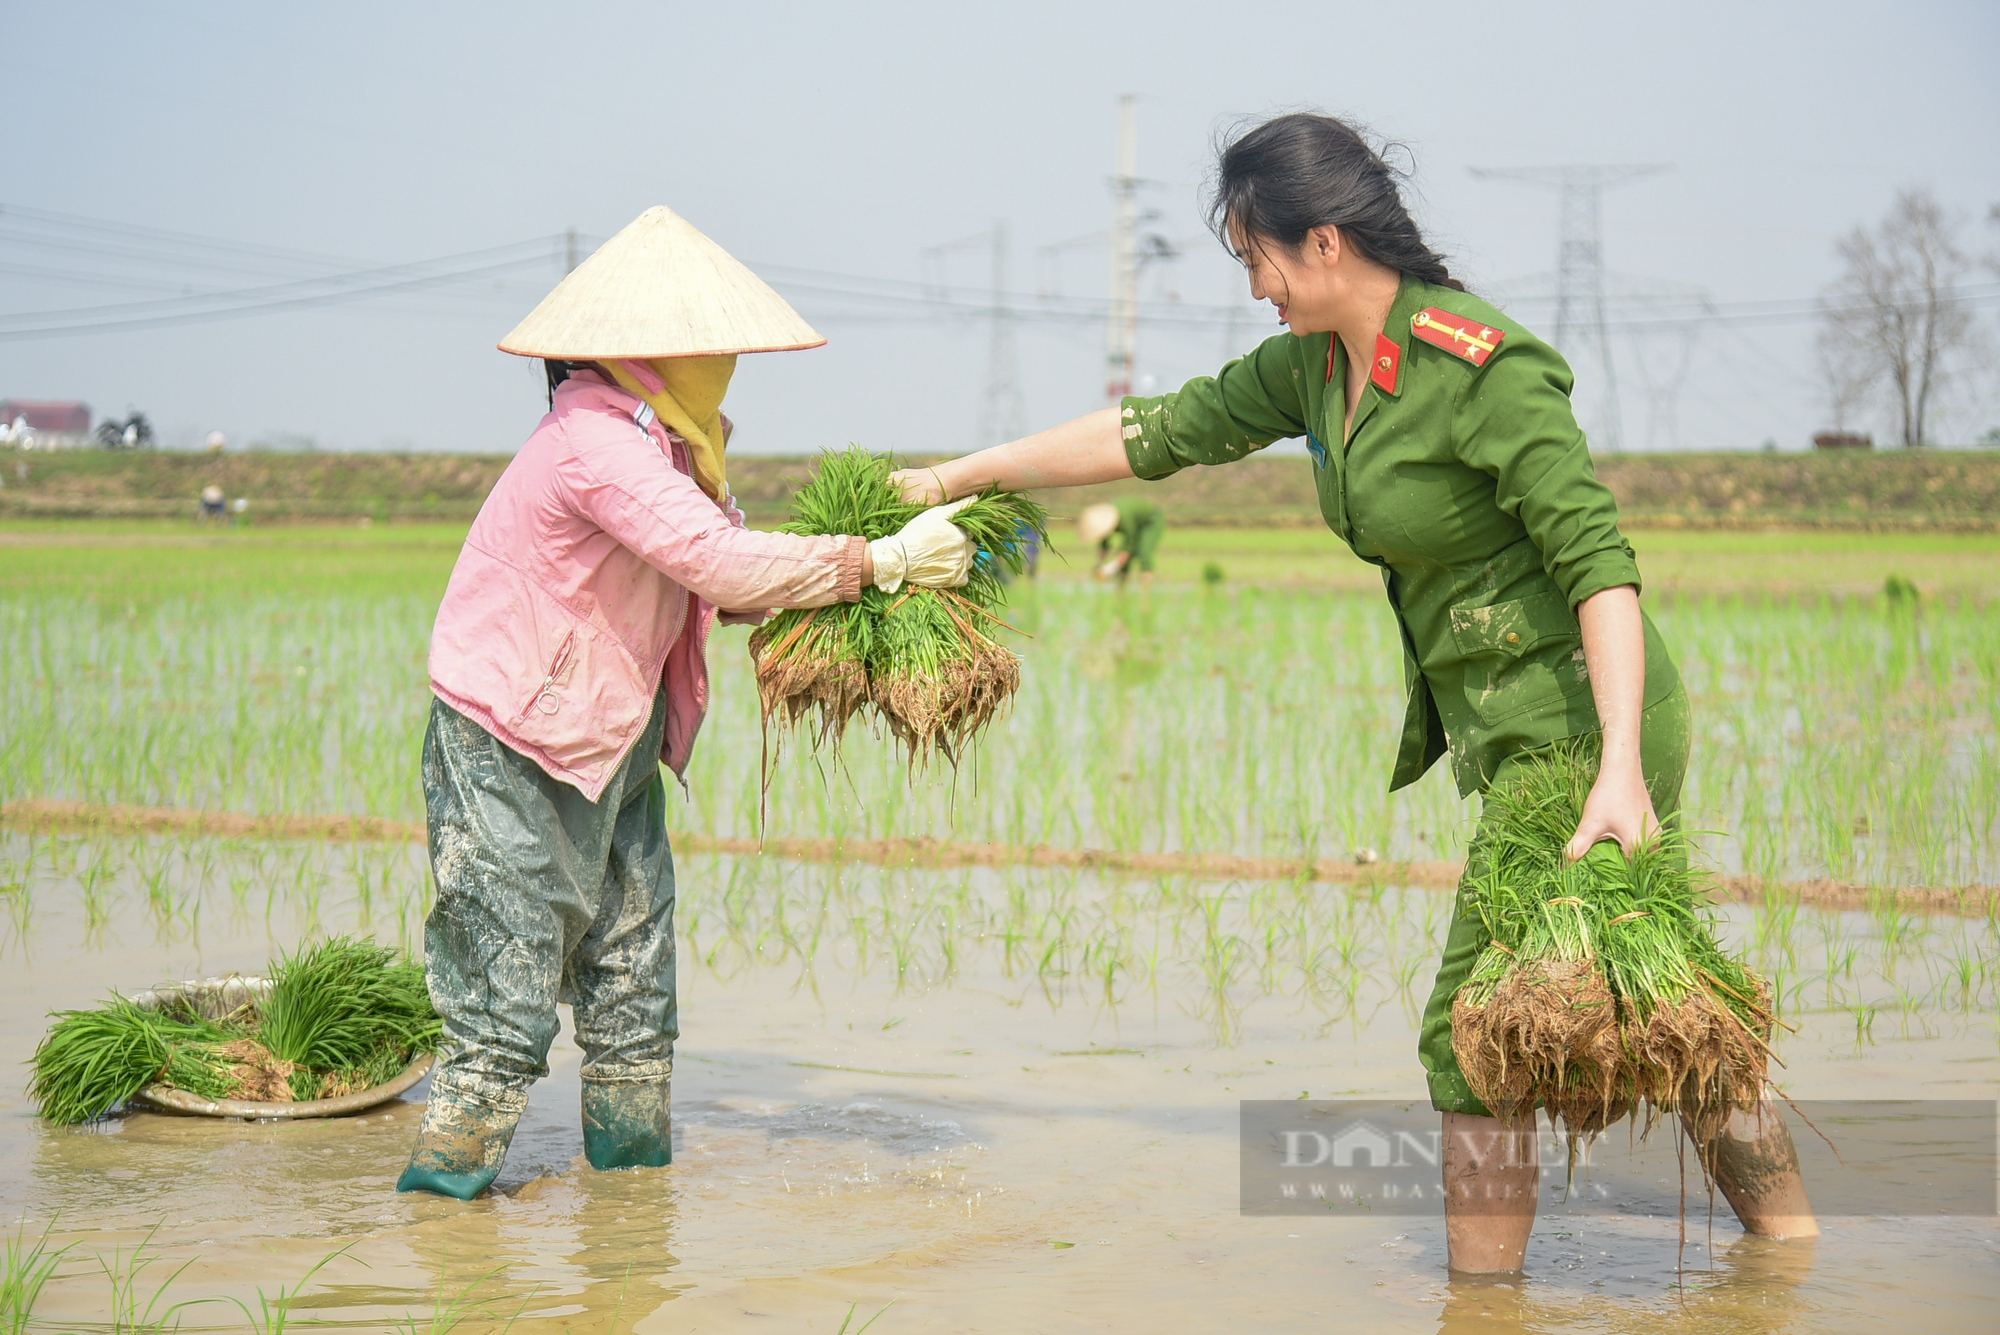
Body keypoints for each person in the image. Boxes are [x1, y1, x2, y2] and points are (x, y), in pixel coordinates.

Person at [892, 114, 1817, 1272]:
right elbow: (1153, 433)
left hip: (1584, 728)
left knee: (1469, 1034)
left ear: (1321, 242)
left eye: (1255, 260)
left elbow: (1598, 566)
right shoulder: (1315, 368)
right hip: (1502, 732)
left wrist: (1620, 765)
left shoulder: (1482, 366)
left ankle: (1481, 1301)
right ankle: (1790, 1253)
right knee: (1644, 991)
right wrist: (955, 474)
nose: (1253, 289)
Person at [400, 206, 978, 1200]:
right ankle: (447, 1225)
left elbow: (727, 585)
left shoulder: (672, 444)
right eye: (707, 345)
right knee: (506, 992)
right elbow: (707, 555)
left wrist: (879, 568)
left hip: (611, 735)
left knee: (631, 984)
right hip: (517, 740)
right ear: (647, 352)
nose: (723, 363)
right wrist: (869, 561)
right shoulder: (593, 441)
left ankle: (629, 1217)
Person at [1078, 496, 1164, 587]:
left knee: (1144, 552)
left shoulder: (1125, 519)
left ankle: (1146, 588)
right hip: (1133, 521)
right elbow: (1105, 544)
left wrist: (1108, 569)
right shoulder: (1107, 518)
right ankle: (1121, 588)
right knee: (1124, 557)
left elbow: (1129, 548)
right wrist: (1099, 564)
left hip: (1151, 520)